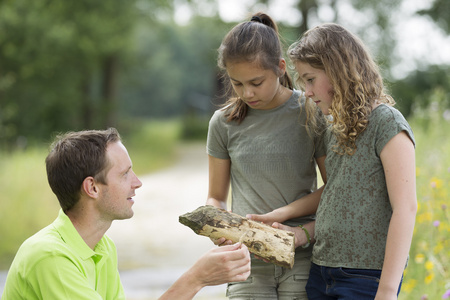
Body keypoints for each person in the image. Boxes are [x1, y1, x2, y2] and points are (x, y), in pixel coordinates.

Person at [251, 23, 417, 300]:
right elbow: (338, 197)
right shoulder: (335, 127)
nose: (306, 91)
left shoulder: (386, 123)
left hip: (366, 278)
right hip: (322, 272)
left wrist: (387, 290)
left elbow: (406, 209)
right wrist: (299, 233)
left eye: (311, 79)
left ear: (339, 72)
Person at [2, 128, 251, 300]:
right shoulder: (50, 256)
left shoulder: (102, 247)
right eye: (124, 174)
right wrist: (196, 279)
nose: (137, 182)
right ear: (92, 188)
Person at [206, 12, 327, 299]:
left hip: (302, 256)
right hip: (246, 261)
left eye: (256, 82)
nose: (247, 92)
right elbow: (216, 196)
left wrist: (294, 225)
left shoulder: (310, 111)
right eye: (237, 83)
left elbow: (333, 189)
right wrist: (218, 226)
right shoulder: (222, 123)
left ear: (281, 68)